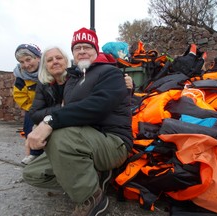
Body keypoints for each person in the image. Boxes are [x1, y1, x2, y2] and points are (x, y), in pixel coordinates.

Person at [23, 27, 133, 216]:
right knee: (32, 173)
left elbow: (96, 106)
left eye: (87, 47)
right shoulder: (73, 79)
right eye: (77, 47)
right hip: (83, 142)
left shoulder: (110, 73)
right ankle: (94, 175)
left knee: (58, 134)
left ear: (96, 50)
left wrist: (49, 122)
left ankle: (92, 198)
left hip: (112, 142)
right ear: (73, 53)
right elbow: (64, 110)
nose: (82, 51)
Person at [13, 43, 44, 165]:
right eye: (22, 62)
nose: (26, 65)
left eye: (28, 59)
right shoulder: (21, 78)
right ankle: (34, 154)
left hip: (50, 108)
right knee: (29, 129)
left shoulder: (49, 71)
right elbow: (19, 95)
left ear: (38, 57)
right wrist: (32, 109)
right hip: (32, 109)